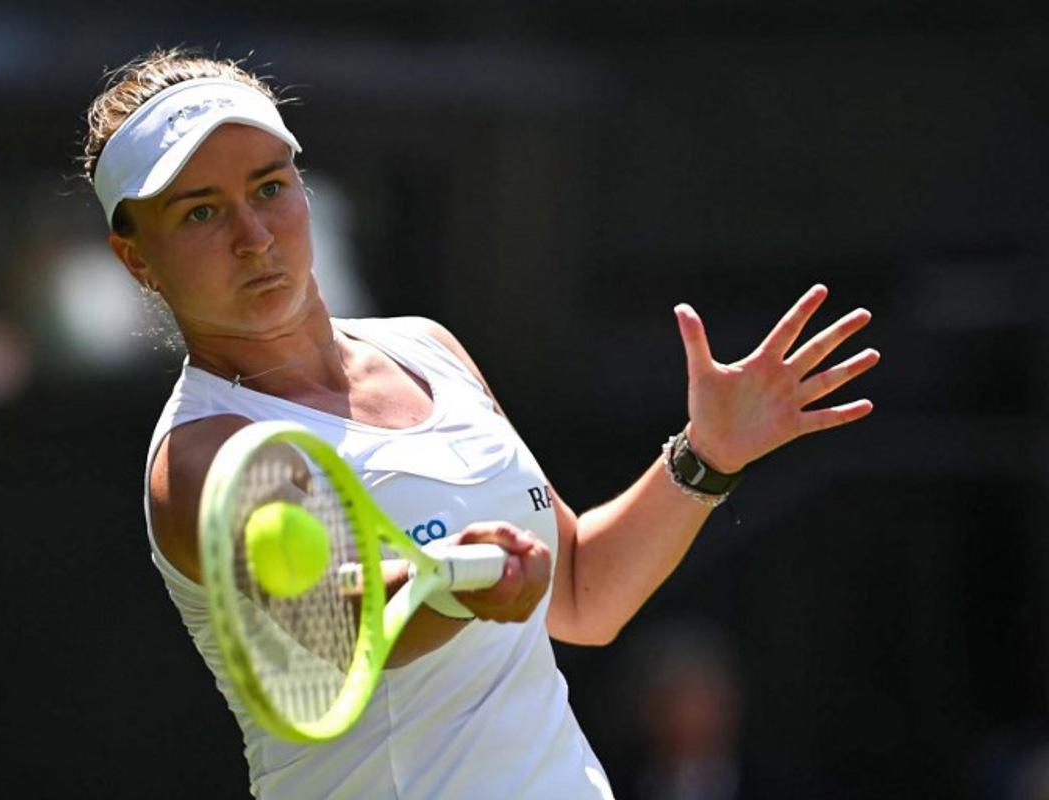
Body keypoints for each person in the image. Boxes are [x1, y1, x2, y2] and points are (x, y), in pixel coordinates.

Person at [81, 48, 880, 799]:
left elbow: (580, 595)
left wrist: (705, 456)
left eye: (268, 189)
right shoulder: (200, 456)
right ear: (136, 256)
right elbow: (328, 626)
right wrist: (455, 586)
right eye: (199, 215)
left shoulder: (427, 348)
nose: (253, 237)